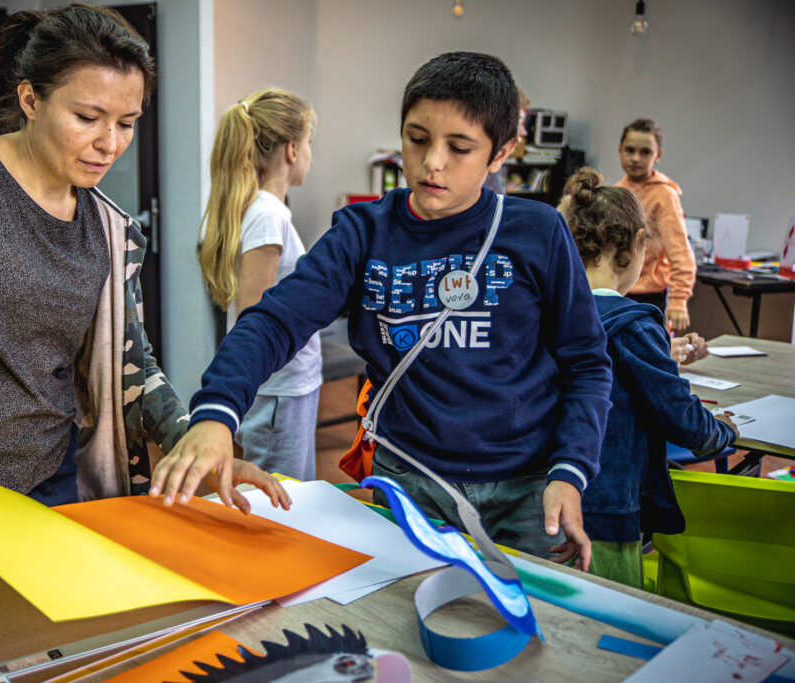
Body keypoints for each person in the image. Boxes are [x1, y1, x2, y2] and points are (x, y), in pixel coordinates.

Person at [0, 4, 287, 599]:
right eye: (88, 116)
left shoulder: (111, 232)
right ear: (31, 99)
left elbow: (132, 369)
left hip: (54, 493)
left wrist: (190, 443)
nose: (109, 143)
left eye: (127, 122)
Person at [152, 52, 613, 570]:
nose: (432, 161)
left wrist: (571, 469)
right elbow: (274, 319)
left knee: (525, 627)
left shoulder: (538, 232)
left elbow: (587, 363)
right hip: (410, 480)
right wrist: (216, 412)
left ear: (501, 152)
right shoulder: (362, 232)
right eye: (417, 139)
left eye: (459, 147)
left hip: (528, 487)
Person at [561, 167, 737, 588]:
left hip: (545, 501)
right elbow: (682, 419)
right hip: (606, 510)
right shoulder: (636, 324)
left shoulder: (549, 312)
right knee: (610, 627)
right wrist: (724, 432)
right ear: (636, 245)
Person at [198, 89, 322, 481]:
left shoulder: (267, 211)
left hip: (286, 388)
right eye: (308, 145)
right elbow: (254, 316)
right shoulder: (268, 216)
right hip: (279, 392)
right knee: (279, 503)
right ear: (290, 149)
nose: (310, 156)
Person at [615, 119, 696, 333]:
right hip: (616, 292)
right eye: (630, 150)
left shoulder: (664, 195)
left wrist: (678, 301)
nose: (635, 158)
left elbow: (680, 252)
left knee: (648, 357)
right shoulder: (616, 192)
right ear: (619, 151)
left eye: (645, 152)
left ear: (657, 156)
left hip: (649, 297)